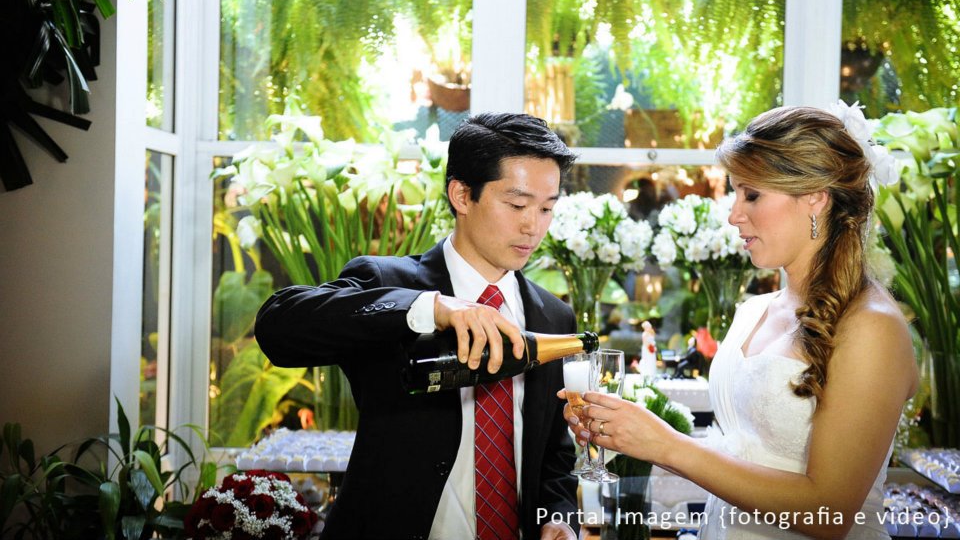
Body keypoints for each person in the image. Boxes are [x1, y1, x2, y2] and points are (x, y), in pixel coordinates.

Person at [564, 105, 919, 539]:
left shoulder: (873, 328)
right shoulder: (755, 310)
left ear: (815, 196)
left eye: (751, 195)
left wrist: (667, 446)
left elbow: (829, 514)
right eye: (735, 194)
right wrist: (632, 431)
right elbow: (743, 452)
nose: (734, 214)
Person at [256, 113, 581, 540]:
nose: (533, 226)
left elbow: (553, 456)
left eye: (547, 208)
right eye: (517, 205)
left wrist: (558, 518)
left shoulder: (554, 317)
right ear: (461, 195)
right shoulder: (390, 285)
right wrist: (427, 308)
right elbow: (277, 326)